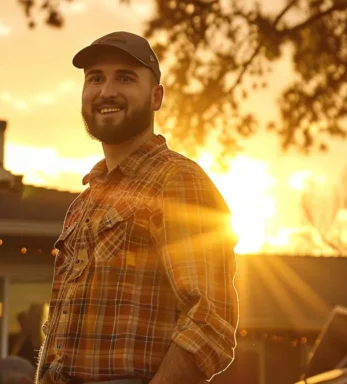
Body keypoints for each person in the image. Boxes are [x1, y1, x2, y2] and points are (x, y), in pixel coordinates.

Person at [36, 31, 239, 384]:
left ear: (156, 96)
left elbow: (210, 320)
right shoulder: (81, 207)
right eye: (95, 78)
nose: (106, 91)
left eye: (125, 78)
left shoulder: (177, 182)